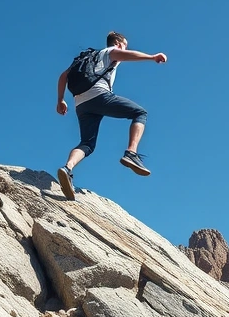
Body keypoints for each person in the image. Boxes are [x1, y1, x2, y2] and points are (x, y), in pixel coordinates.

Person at [56, 31, 167, 200]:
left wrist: (60, 100)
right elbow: (127, 55)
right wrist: (152, 57)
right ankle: (131, 153)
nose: (125, 48)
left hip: (81, 104)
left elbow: (63, 76)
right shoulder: (110, 51)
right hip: (99, 95)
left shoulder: (87, 57)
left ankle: (67, 169)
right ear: (118, 43)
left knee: (87, 143)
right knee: (140, 113)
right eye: (125, 44)